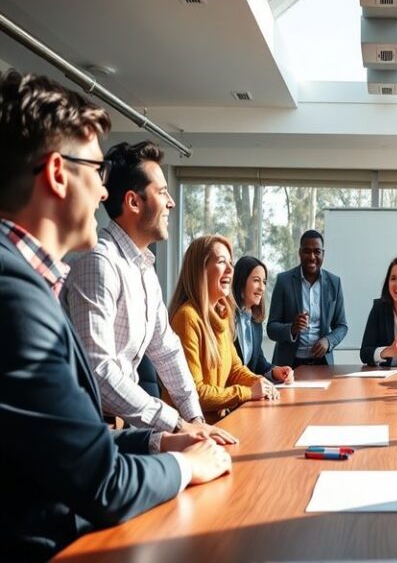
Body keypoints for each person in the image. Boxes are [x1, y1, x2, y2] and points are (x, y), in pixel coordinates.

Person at [0, 70, 231, 561]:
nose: (103, 193)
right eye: (95, 172)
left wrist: (174, 435)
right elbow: (99, 480)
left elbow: (86, 448)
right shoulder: (15, 293)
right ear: (59, 173)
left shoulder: (32, 278)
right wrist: (187, 465)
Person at [61, 140, 235, 442]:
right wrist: (178, 424)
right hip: (89, 430)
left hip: (123, 425)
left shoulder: (143, 268)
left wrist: (195, 419)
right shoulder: (100, 263)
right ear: (133, 202)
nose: (171, 203)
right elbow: (99, 371)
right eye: (163, 192)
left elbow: (166, 351)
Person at [170, 237, 279, 423]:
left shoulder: (222, 315)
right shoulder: (187, 317)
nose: (230, 270)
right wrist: (248, 392)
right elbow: (196, 393)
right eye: (222, 262)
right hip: (194, 429)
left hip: (219, 422)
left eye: (231, 263)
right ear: (200, 270)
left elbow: (235, 369)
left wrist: (260, 383)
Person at [267, 229, 348, 366]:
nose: (312, 257)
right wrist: (292, 328)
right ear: (300, 253)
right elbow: (271, 328)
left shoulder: (334, 283)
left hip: (322, 364)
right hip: (289, 364)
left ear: (323, 254)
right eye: (307, 251)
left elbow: (342, 326)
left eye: (317, 251)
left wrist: (328, 341)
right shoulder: (283, 281)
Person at [232, 255, 294, 383]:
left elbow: (258, 362)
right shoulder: (226, 318)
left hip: (249, 394)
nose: (262, 288)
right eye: (256, 280)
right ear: (241, 282)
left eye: (264, 282)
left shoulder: (255, 322)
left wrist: (275, 371)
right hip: (230, 395)